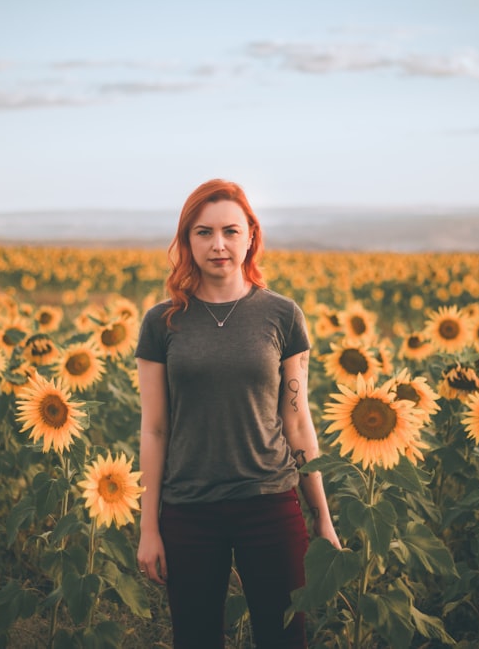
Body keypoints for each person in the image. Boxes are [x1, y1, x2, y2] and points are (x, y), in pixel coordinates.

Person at [135, 178, 341, 649]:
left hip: (269, 501)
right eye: (203, 232)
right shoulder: (161, 322)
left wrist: (322, 517)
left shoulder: (282, 316)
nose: (219, 244)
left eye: (230, 230)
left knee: (286, 637)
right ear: (187, 241)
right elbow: (154, 429)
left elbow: (296, 421)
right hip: (189, 509)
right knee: (197, 639)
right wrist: (150, 527)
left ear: (251, 234)